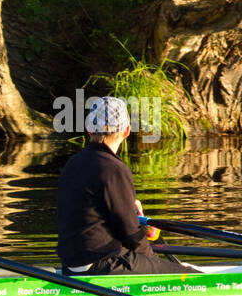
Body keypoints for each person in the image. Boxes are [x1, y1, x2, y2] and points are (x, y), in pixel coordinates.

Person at [55, 96, 186, 276]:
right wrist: (151, 259)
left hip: (71, 265)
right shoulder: (114, 168)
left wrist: (130, 211)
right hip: (101, 263)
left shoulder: (73, 163)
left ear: (88, 130)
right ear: (126, 130)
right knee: (187, 274)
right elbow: (129, 231)